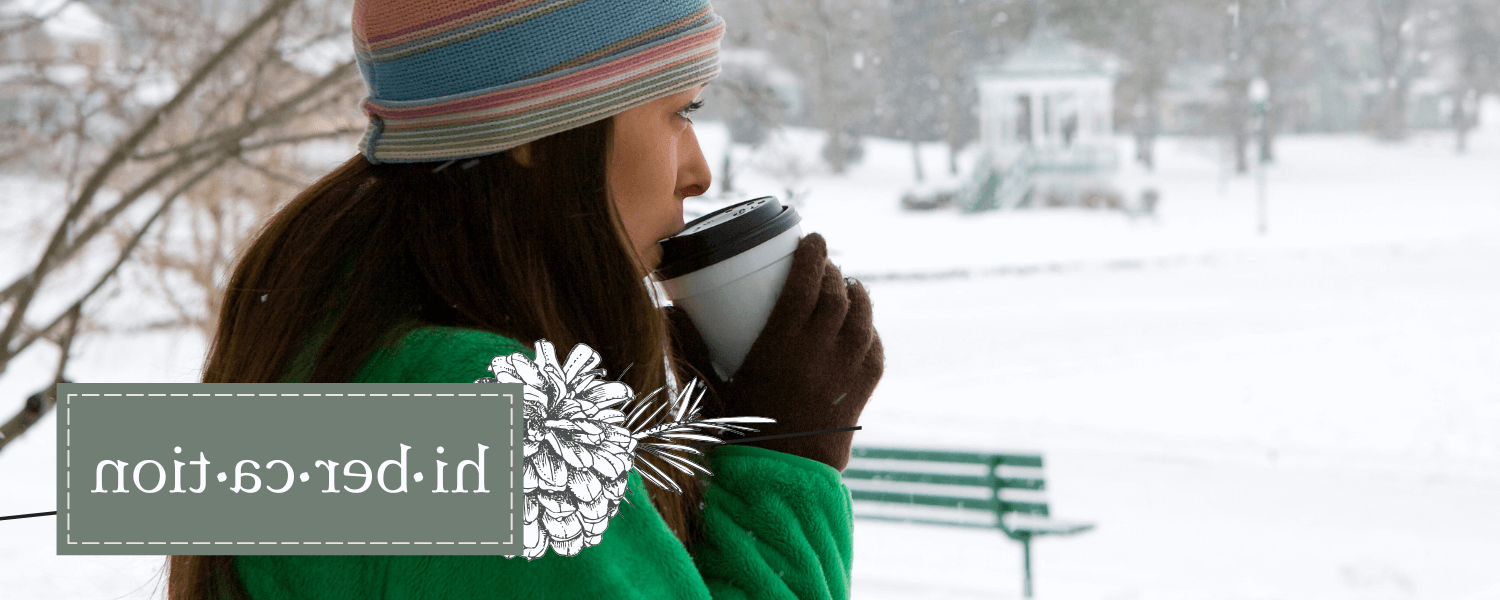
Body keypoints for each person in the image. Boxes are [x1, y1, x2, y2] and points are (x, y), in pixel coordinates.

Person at [165, 1, 884, 599]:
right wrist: (789, 459)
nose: (696, 171)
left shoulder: (336, 331)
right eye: (680, 110)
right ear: (536, 128)